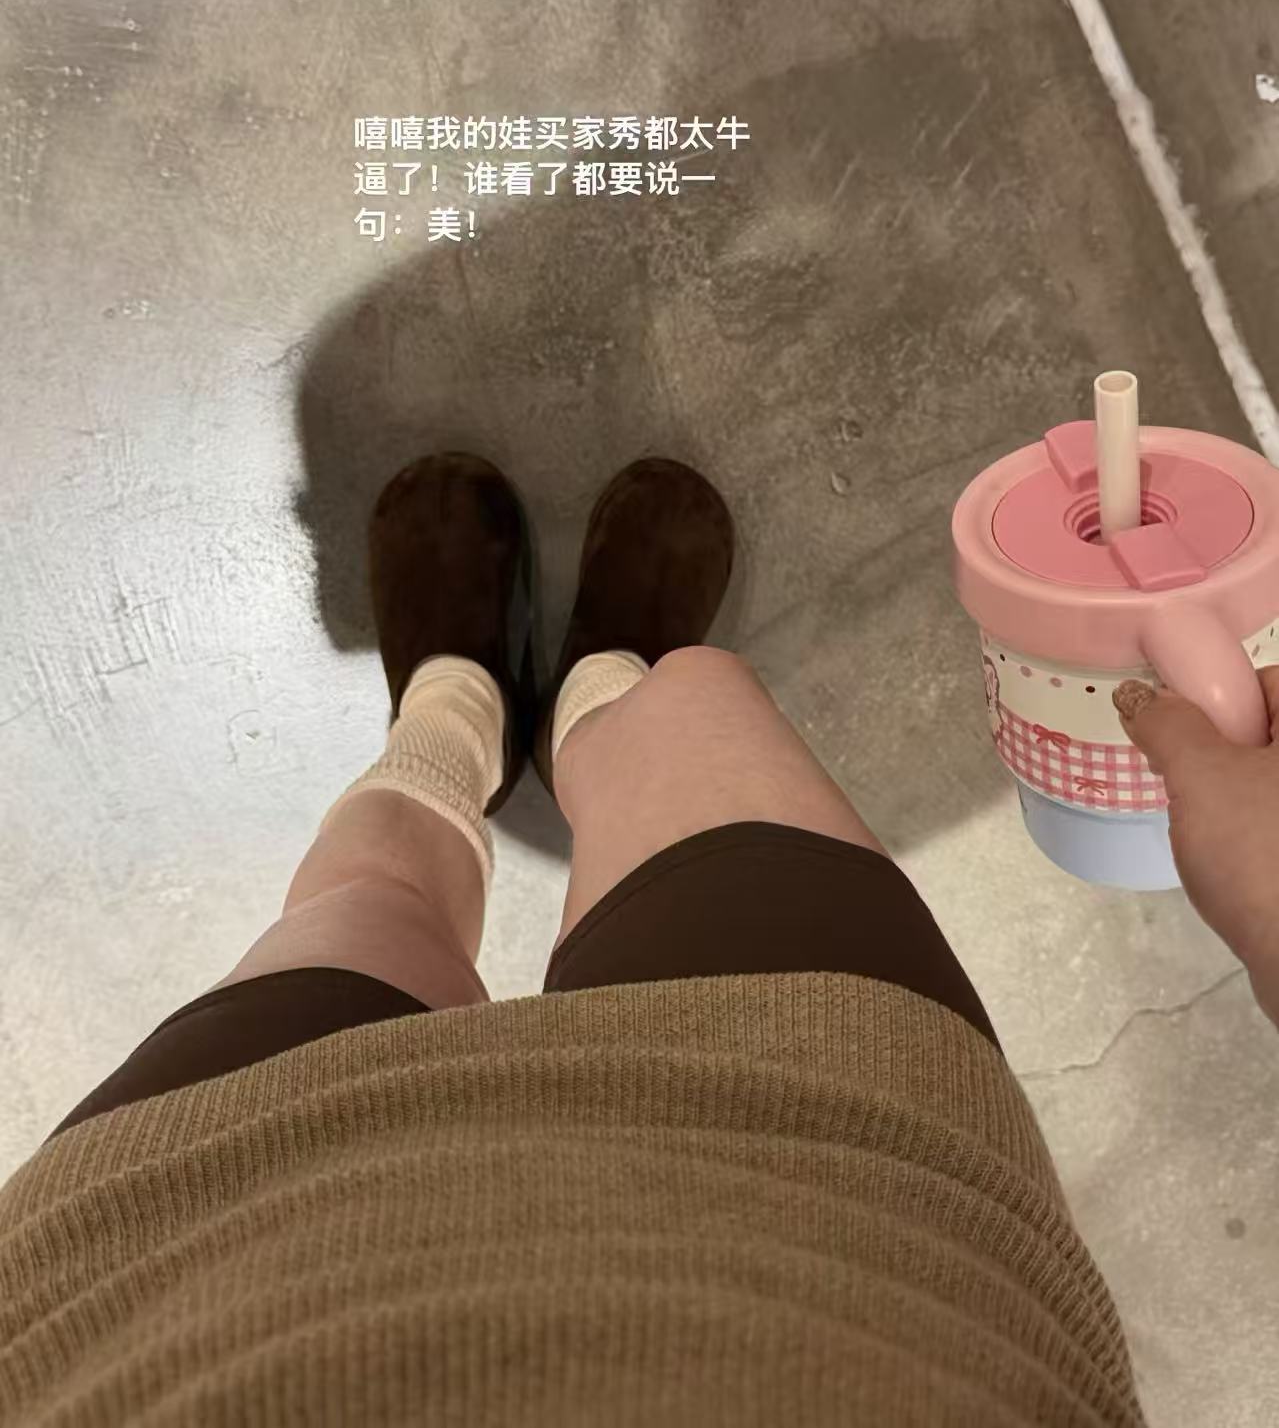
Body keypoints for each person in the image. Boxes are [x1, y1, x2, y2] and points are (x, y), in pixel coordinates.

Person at [0, 453, 1273, 1426]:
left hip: (170, 1286)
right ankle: (598, 681)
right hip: (863, 1248)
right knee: (695, 712)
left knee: (369, 905)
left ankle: (452, 711)